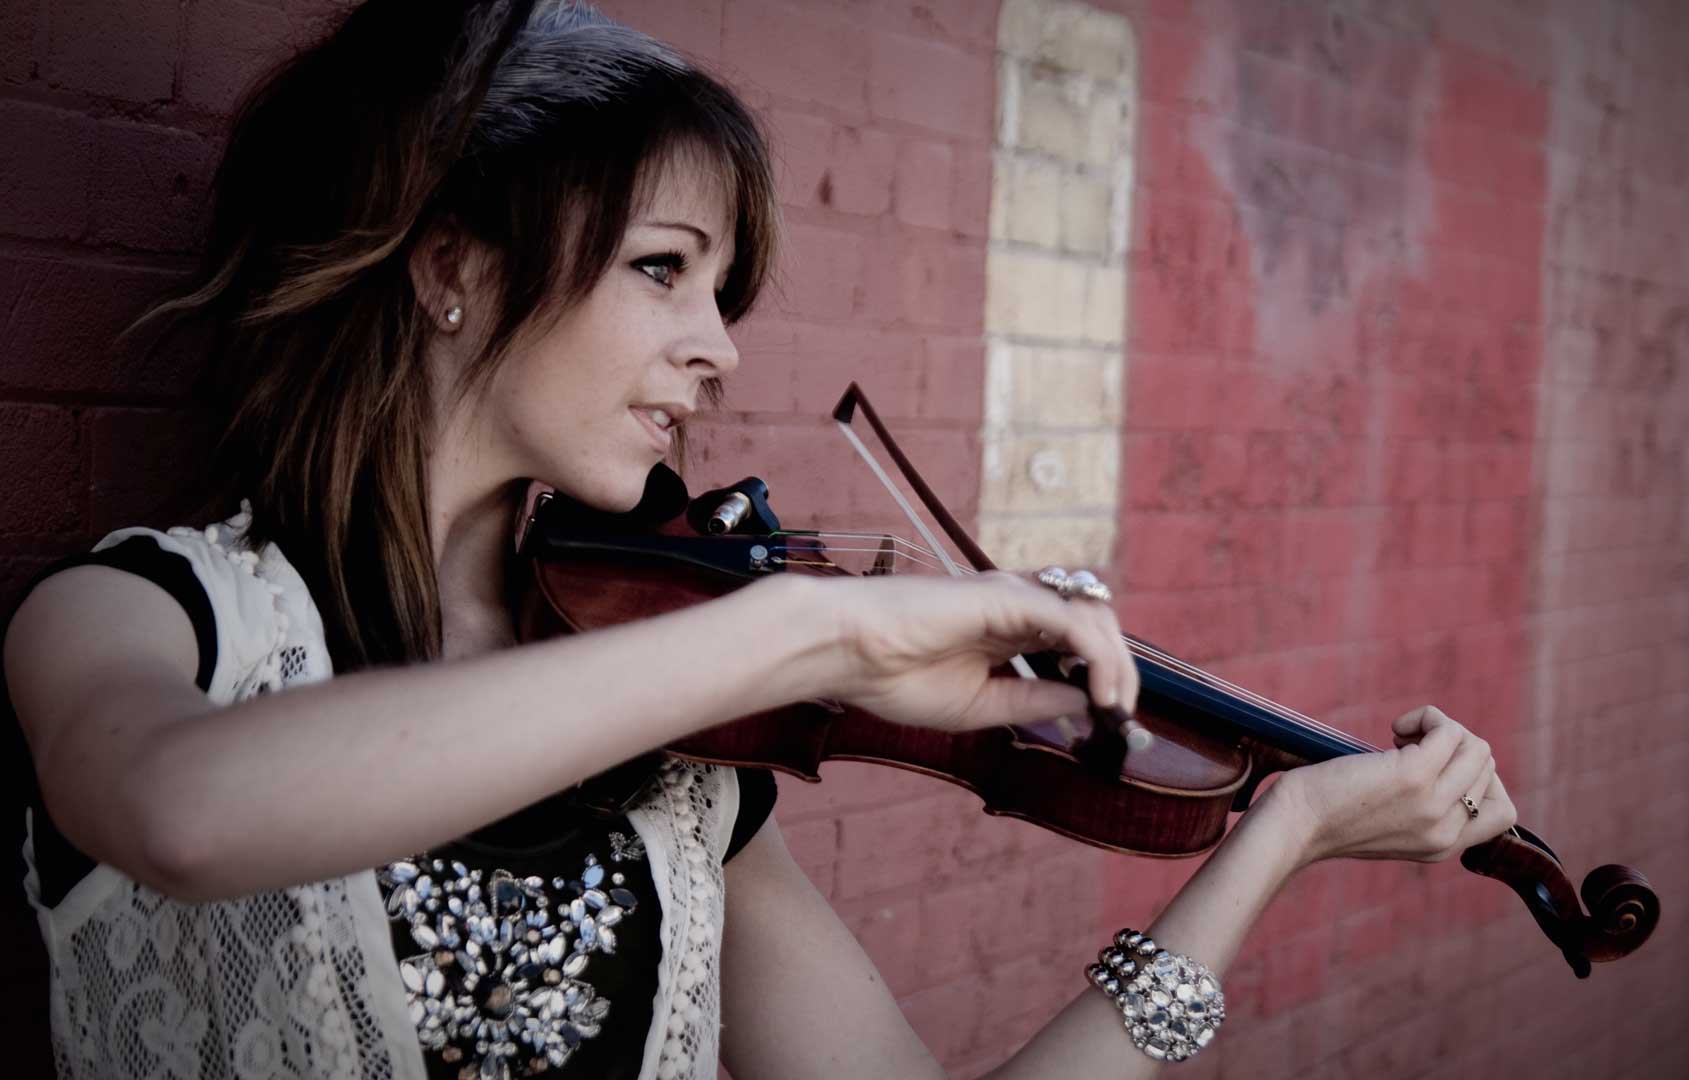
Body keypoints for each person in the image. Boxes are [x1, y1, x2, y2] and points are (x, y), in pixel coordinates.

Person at [2, 2, 1518, 1078]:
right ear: (451, 263)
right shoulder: (140, 622)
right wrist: (816, 629)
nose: (718, 349)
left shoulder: (682, 767)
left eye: (721, 291)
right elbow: (184, 817)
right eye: (664, 270)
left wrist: (1276, 839)